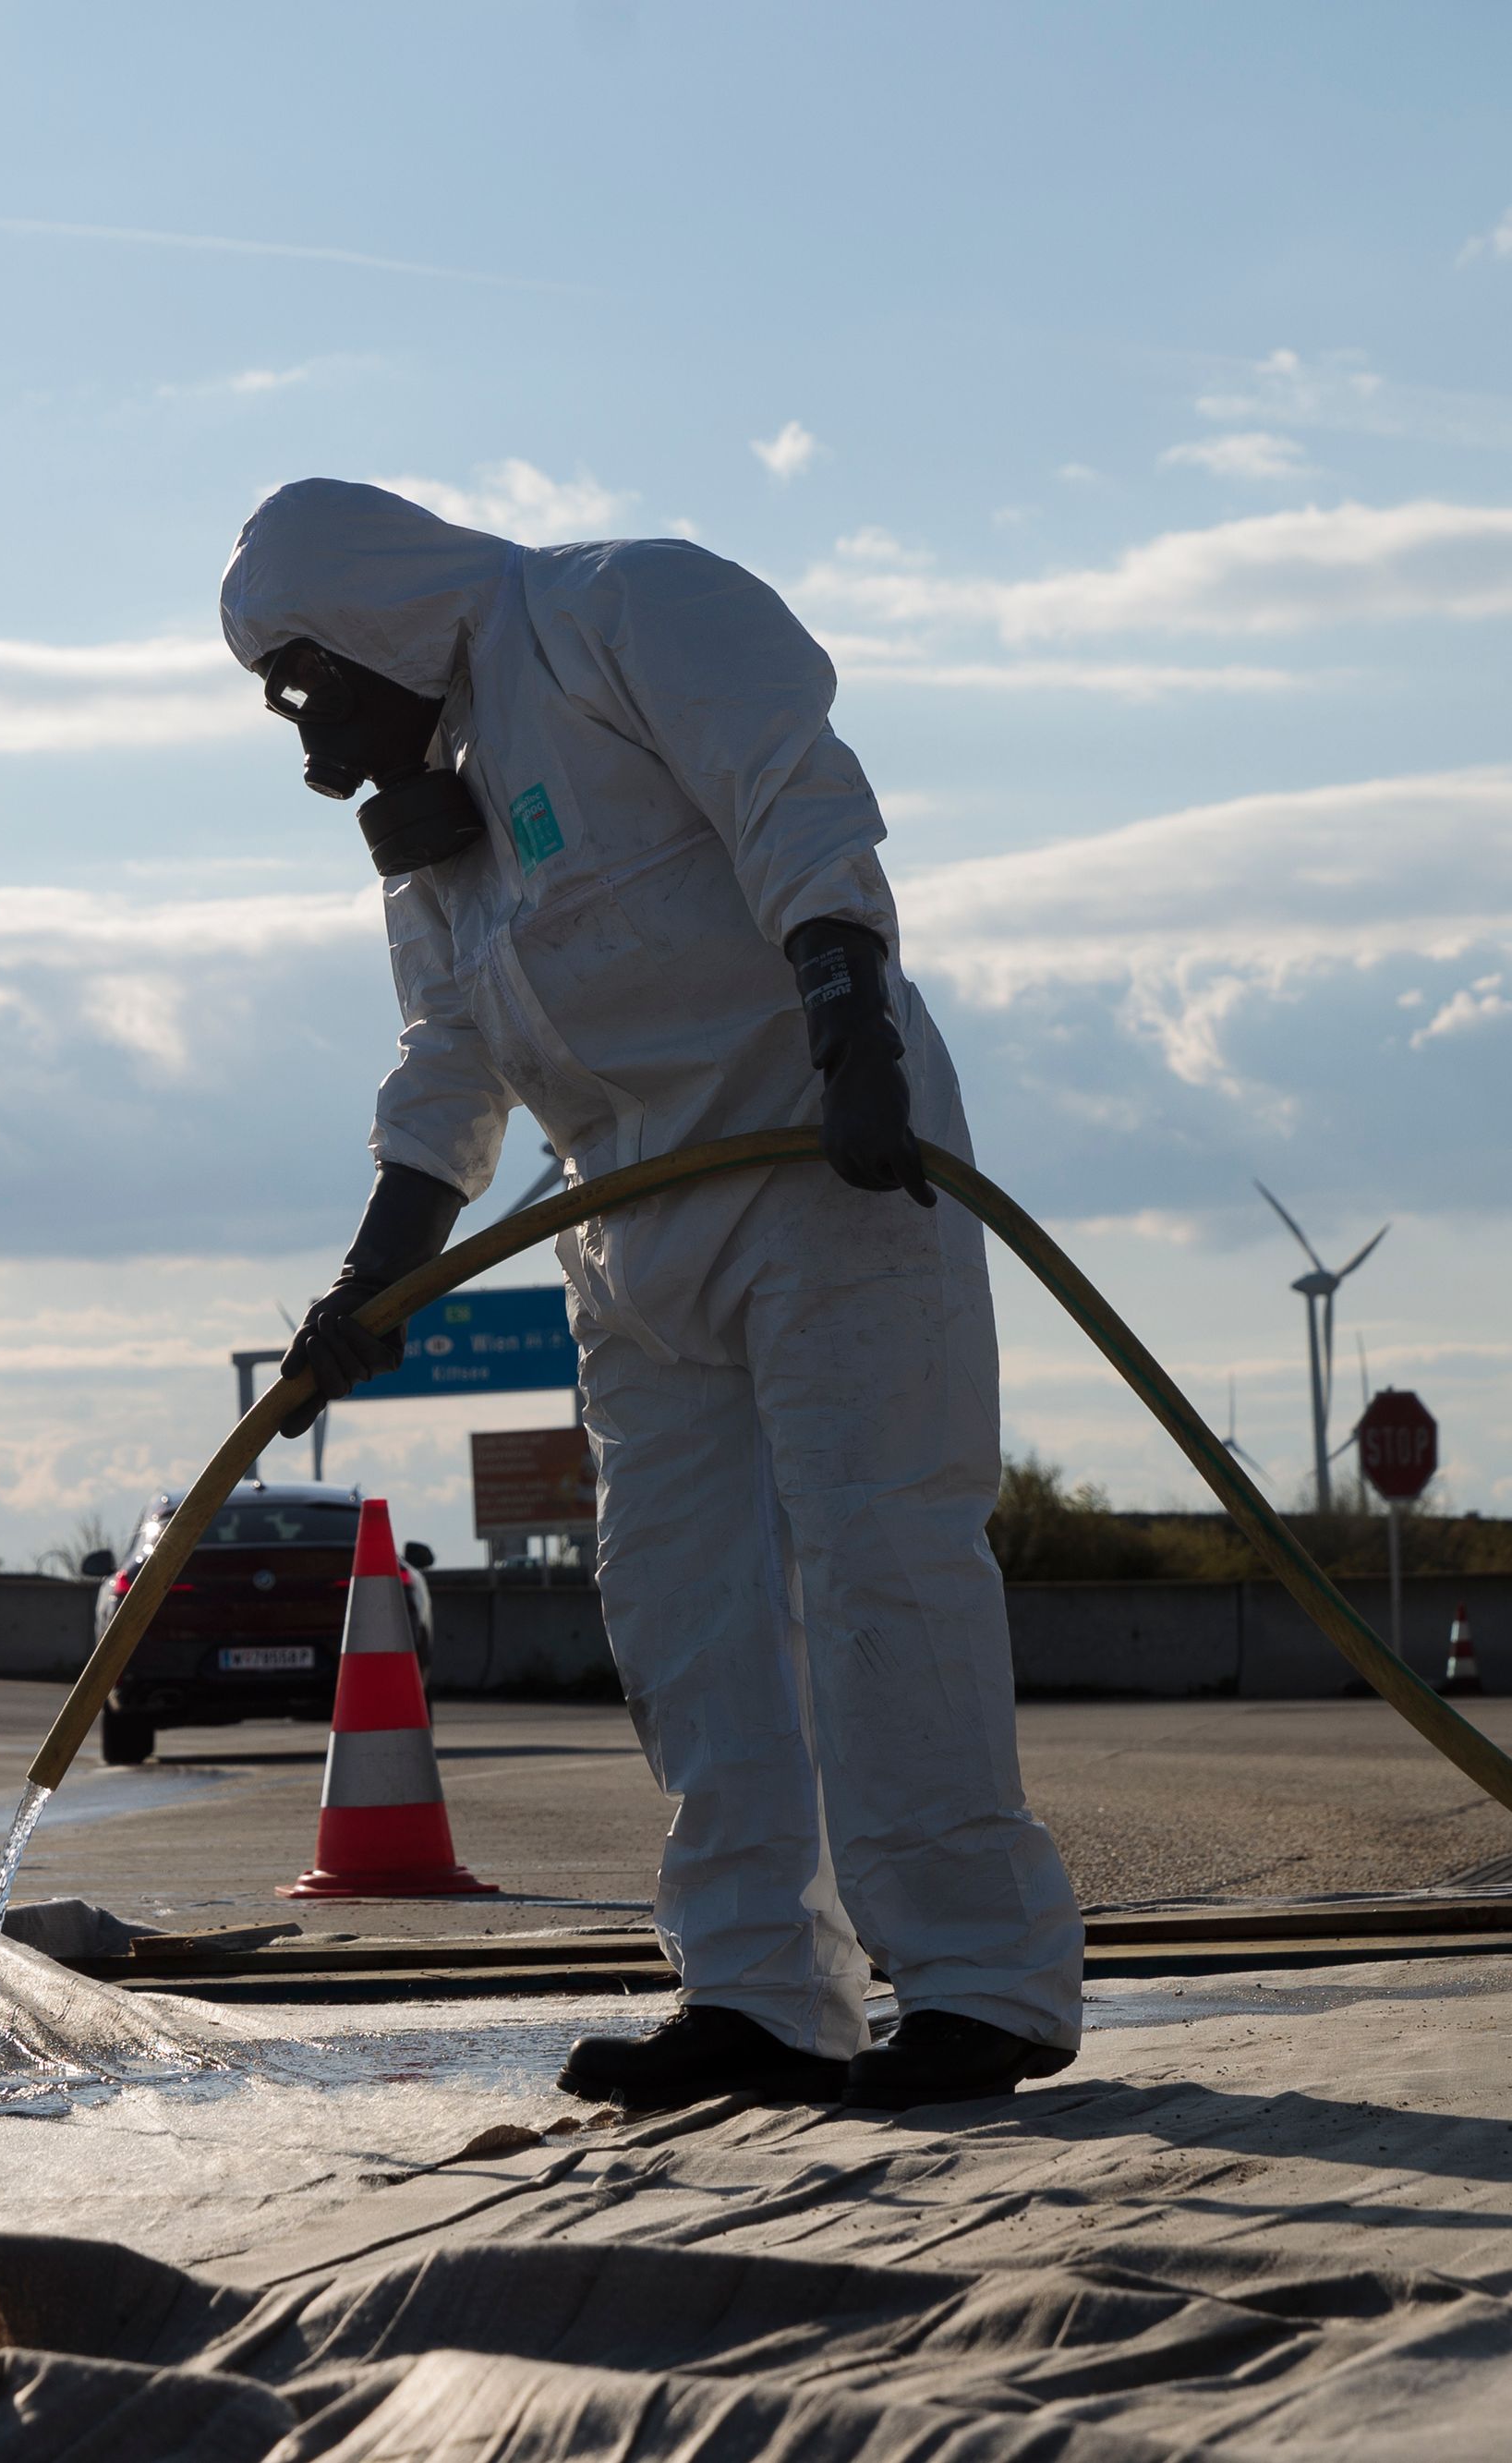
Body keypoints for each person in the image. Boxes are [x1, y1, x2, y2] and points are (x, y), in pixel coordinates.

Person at [220, 479, 1082, 2112]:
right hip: (628, 1232)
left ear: (381, 618)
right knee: (684, 1613)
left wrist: (851, 1025)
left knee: (882, 1564)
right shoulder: (440, 839)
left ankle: (982, 1985)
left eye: (315, 692)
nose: (322, 751)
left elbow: (794, 796)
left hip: (823, 1166)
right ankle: (758, 1993)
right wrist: (374, 1273)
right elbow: (450, 1063)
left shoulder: (626, 613)